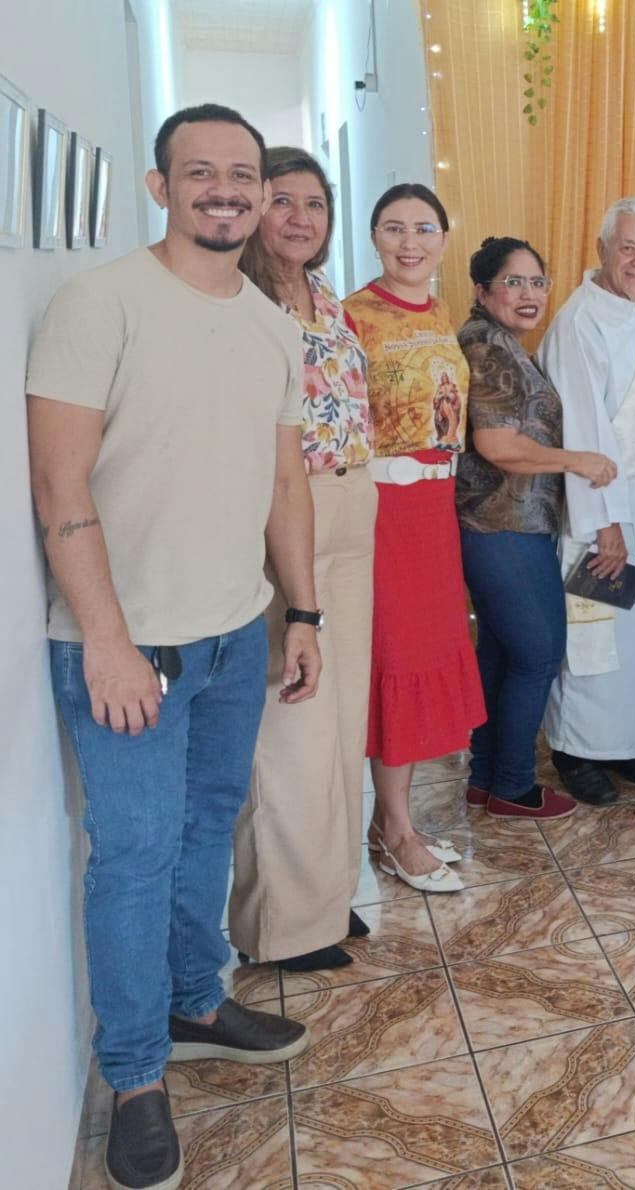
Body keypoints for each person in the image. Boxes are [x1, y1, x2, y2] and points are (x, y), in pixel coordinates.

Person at [27, 104, 316, 1190]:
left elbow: (284, 479)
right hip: (126, 642)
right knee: (136, 857)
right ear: (160, 187)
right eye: (201, 174)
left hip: (236, 631)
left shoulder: (270, 322)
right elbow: (58, 483)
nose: (227, 192)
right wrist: (105, 639)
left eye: (243, 174)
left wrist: (305, 614)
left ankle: (197, 997)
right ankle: (136, 1073)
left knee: (208, 826)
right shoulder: (98, 302)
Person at [228, 147, 376, 974]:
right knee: (289, 722)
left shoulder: (323, 298)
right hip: (286, 509)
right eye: (280, 200)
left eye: (313, 204)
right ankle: (279, 925)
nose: (298, 217)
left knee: (337, 720)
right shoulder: (238, 299)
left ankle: (325, 896)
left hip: (353, 504)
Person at [344, 183, 484, 893]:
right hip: (383, 511)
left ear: (443, 239)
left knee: (428, 651)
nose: (409, 242)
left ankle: (392, 821)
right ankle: (397, 831)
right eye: (393, 228)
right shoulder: (351, 316)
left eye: (423, 228)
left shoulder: (437, 310)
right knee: (395, 661)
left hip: (435, 510)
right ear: (374, 237)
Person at [538, 197, 635, 803]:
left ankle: (632, 746)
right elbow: (584, 429)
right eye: (627, 247)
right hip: (605, 521)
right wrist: (607, 525)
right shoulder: (580, 322)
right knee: (598, 636)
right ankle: (577, 751)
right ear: (601, 248)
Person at [457, 236, 614, 820]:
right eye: (513, 282)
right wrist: (578, 459)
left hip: (505, 524)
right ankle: (515, 785)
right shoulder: (488, 346)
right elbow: (496, 443)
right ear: (482, 290)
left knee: (501, 654)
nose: (529, 295)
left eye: (537, 282)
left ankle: (485, 777)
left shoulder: (503, 343)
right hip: (501, 525)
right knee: (540, 653)